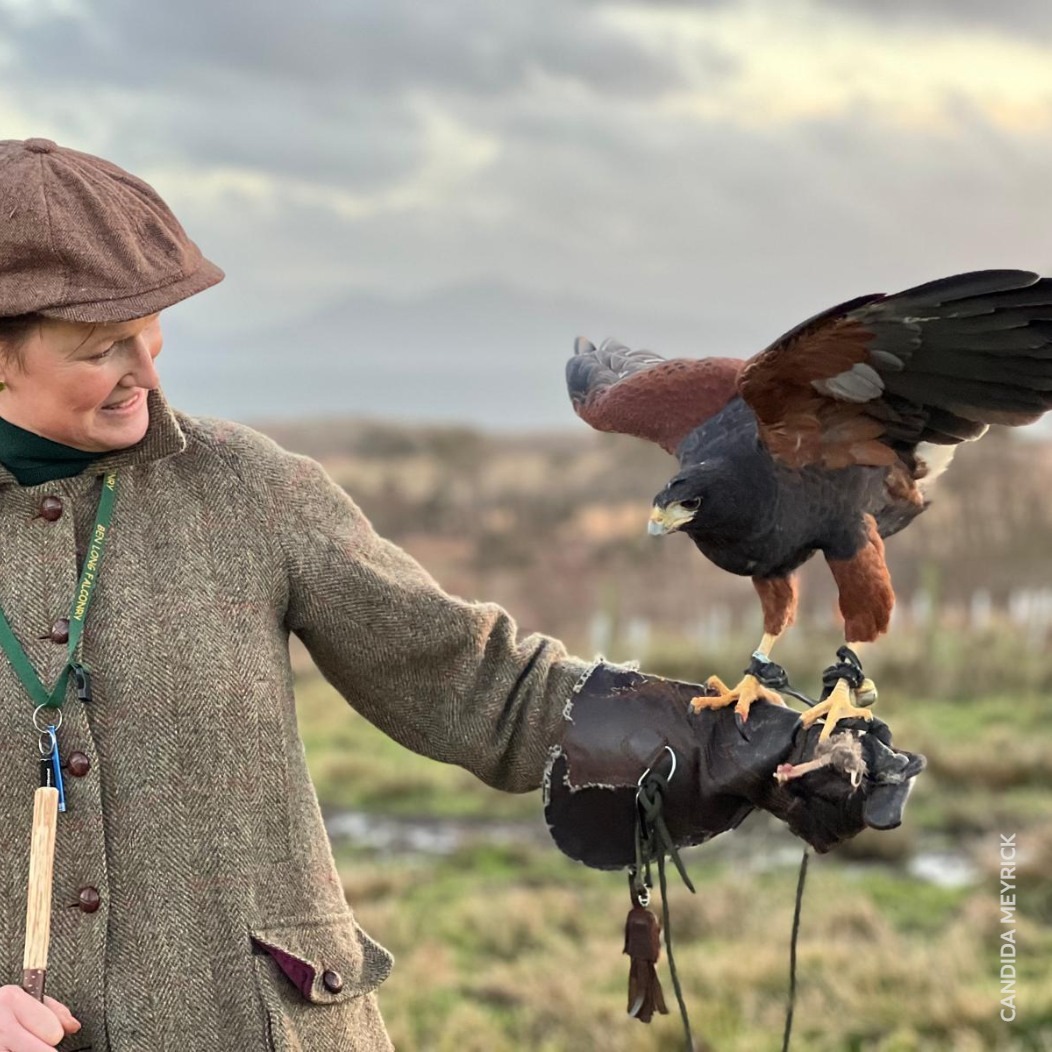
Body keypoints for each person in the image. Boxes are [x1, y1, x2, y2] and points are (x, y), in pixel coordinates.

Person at [0, 139, 919, 1052]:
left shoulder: (247, 491)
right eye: (102, 348)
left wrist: (743, 747)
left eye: (151, 331)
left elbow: (477, 683)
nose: (148, 371)